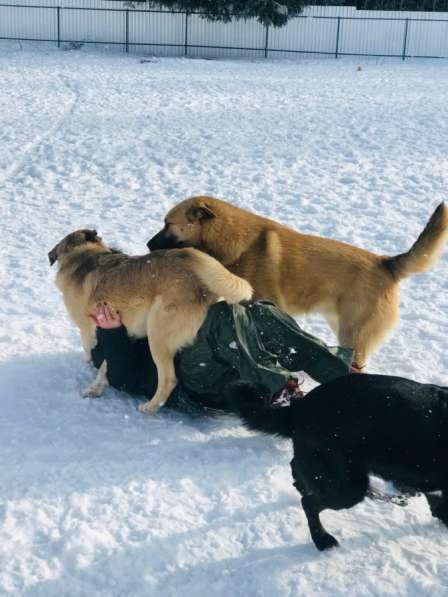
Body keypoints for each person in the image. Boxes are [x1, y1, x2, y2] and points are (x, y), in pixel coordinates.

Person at [90, 300, 354, 413]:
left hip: (230, 357)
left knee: (258, 311)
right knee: (223, 313)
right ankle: (279, 388)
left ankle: (342, 376)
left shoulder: (152, 302)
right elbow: (123, 378)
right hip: (190, 382)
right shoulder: (105, 334)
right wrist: (111, 334)